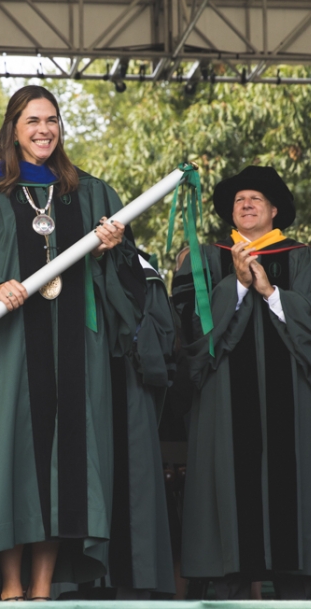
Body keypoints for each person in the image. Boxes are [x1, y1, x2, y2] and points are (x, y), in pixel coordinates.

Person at [0, 85, 144, 600]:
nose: (44, 130)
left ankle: (43, 587)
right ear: (13, 128)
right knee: (12, 463)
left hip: (75, 354)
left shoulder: (88, 193)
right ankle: (11, 587)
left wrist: (112, 250)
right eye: (32, 121)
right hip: (10, 351)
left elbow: (126, 281)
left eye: (52, 120)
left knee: (63, 467)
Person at [172, 165, 311, 600]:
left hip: (292, 402)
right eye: (238, 200)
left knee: (291, 524)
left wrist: (270, 293)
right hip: (224, 401)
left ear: (274, 210)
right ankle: (227, 579)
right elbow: (187, 333)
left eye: (256, 199)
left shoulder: (303, 258)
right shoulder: (204, 257)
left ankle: (295, 583)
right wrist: (239, 287)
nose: (246, 205)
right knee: (230, 510)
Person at [107, 250, 176, 598]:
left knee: (131, 479)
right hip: (77, 386)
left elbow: (159, 330)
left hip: (125, 382)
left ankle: (133, 584)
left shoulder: (139, 267)